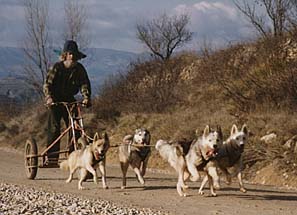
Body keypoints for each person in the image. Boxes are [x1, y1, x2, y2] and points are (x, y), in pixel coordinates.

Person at [43, 40, 91, 165]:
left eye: (74, 54)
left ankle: (73, 156)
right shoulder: (57, 67)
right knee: (54, 128)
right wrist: (49, 97)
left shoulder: (79, 69)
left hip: (69, 99)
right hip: (55, 100)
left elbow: (84, 84)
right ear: (65, 55)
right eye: (70, 54)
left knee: (76, 127)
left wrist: (86, 97)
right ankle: (51, 158)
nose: (72, 56)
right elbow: (47, 84)